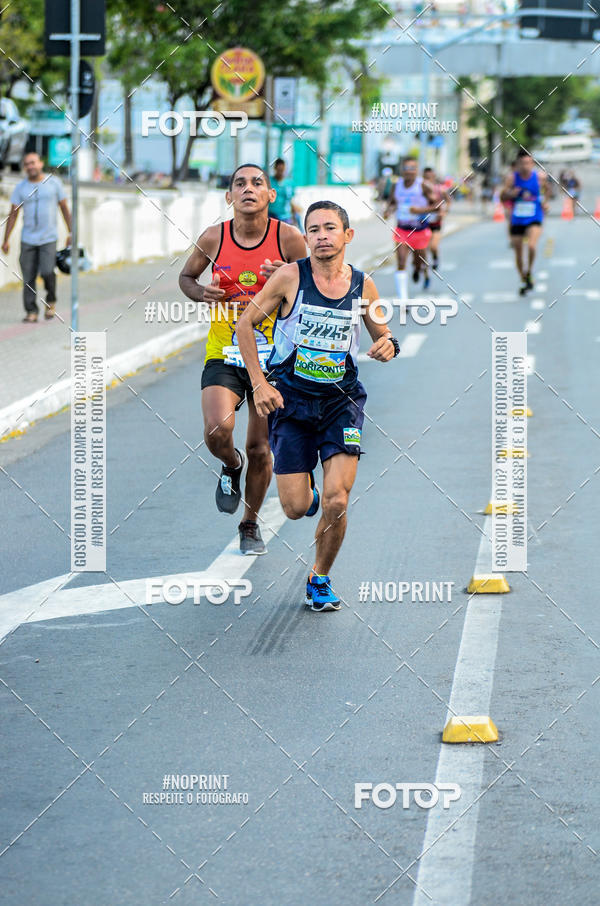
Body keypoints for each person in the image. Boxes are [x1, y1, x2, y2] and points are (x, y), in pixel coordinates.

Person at [236, 200, 399, 611]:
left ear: (348, 235)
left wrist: (387, 345)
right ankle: (308, 499)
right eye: (314, 230)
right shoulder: (291, 277)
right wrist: (258, 384)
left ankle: (319, 578)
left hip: (340, 402)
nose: (322, 236)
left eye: (330, 228)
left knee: (338, 500)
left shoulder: (364, 286)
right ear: (305, 237)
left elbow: (384, 334)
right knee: (293, 509)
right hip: (290, 400)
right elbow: (245, 325)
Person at [179, 163, 306, 554]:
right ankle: (230, 466)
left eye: (257, 183)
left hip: (274, 359)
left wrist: (287, 275)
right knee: (218, 430)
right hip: (225, 349)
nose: (248, 188)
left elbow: (313, 286)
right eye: (240, 183)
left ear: (271, 195)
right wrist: (202, 294)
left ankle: (249, 525)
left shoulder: (288, 238)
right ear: (229, 196)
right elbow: (186, 278)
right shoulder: (213, 238)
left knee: (260, 449)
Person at [2, 151, 72, 323]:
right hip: (28, 239)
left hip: (48, 238)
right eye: (27, 164)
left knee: (48, 271)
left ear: (40, 163)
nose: (30, 166)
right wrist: (6, 239)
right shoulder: (21, 188)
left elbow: (64, 209)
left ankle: (51, 301)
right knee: (28, 276)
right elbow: (13, 214)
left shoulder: (54, 183)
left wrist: (71, 232)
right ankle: (31, 311)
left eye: (33, 162)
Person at [383, 157, 438, 297]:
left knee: (418, 262)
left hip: (420, 230)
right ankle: (403, 300)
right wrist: (388, 210)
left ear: (417, 170)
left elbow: (437, 206)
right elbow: (392, 202)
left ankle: (419, 269)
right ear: (402, 170)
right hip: (402, 229)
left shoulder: (423, 186)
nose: (409, 171)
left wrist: (419, 210)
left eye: (412, 168)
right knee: (401, 261)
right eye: (406, 168)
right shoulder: (397, 186)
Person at [500, 148, 549, 296]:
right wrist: (511, 193)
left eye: (528, 163)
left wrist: (545, 202)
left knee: (532, 246)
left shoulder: (539, 177)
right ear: (518, 164)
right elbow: (502, 197)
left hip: (534, 217)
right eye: (522, 163)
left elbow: (547, 191)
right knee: (519, 252)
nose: (525, 166)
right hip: (517, 219)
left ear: (532, 163)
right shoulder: (512, 178)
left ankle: (529, 271)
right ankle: (523, 278)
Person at [422, 166, 451, 270]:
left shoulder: (440, 189)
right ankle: (420, 267)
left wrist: (444, 212)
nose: (428, 180)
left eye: (430, 177)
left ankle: (435, 258)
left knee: (433, 246)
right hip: (422, 223)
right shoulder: (419, 190)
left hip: (435, 222)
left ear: (433, 176)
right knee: (421, 249)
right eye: (426, 177)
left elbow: (448, 201)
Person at [269, 158, 301, 228]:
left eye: (283, 170)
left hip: (286, 217)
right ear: (275, 169)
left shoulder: (290, 183)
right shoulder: (269, 182)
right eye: (279, 170)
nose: (281, 172)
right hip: (271, 215)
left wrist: (295, 212)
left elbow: (291, 200)